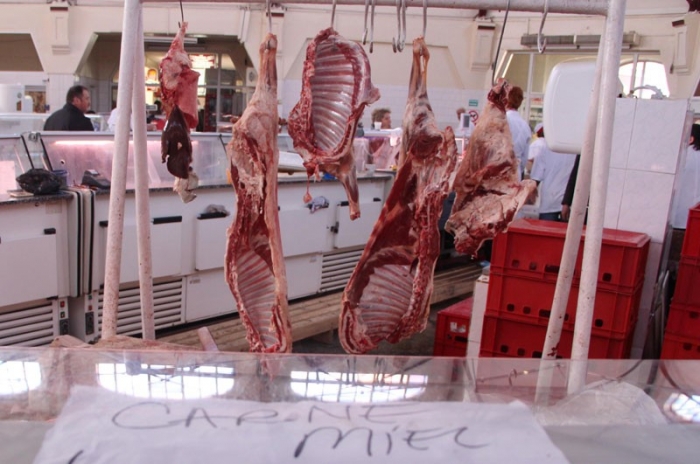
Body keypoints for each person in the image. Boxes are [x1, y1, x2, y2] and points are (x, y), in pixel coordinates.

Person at [528, 125, 577, 221]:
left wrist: (529, 195)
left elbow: (536, 178)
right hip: (570, 204)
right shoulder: (577, 147)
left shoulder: (546, 146)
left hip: (549, 203)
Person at [505, 85, 531, 180]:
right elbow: (524, 158)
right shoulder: (525, 126)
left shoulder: (502, 120)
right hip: (516, 172)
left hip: (498, 171)